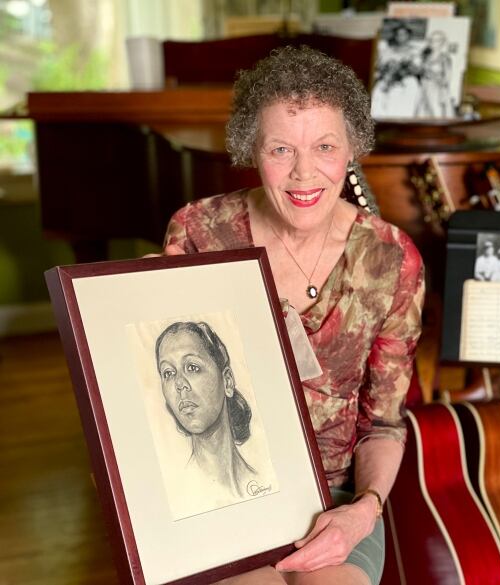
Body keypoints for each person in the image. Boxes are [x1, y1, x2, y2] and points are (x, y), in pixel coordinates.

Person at [161, 46, 425, 585]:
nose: (304, 173)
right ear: (251, 150)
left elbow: (384, 422)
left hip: (337, 501)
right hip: (221, 492)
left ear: (352, 148)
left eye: (325, 146)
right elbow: (158, 386)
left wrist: (363, 510)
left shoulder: (392, 258)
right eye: (281, 148)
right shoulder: (197, 233)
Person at [156, 321, 258, 503]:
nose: (179, 384)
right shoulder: (177, 497)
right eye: (168, 373)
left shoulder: (261, 480)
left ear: (227, 381)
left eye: (192, 367)